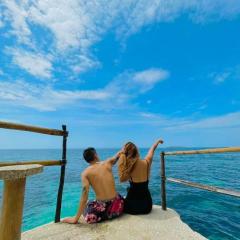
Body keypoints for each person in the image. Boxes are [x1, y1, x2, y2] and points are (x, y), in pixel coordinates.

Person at [62, 147, 124, 224]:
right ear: (95, 155)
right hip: (118, 207)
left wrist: (75, 219)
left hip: (103, 210)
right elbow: (117, 156)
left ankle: (100, 214)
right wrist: (122, 150)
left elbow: (84, 195)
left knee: (88, 205)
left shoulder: (85, 173)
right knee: (117, 196)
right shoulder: (107, 163)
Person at [118, 139, 164, 215]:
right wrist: (157, 142)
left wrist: (122, 154)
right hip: (147, 206)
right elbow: (152, 150)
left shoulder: (128, 167)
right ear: (137, 151)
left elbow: (122, 178)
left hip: (131, 207)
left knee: (121, 194)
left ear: (126, 154)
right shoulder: (147, 162)